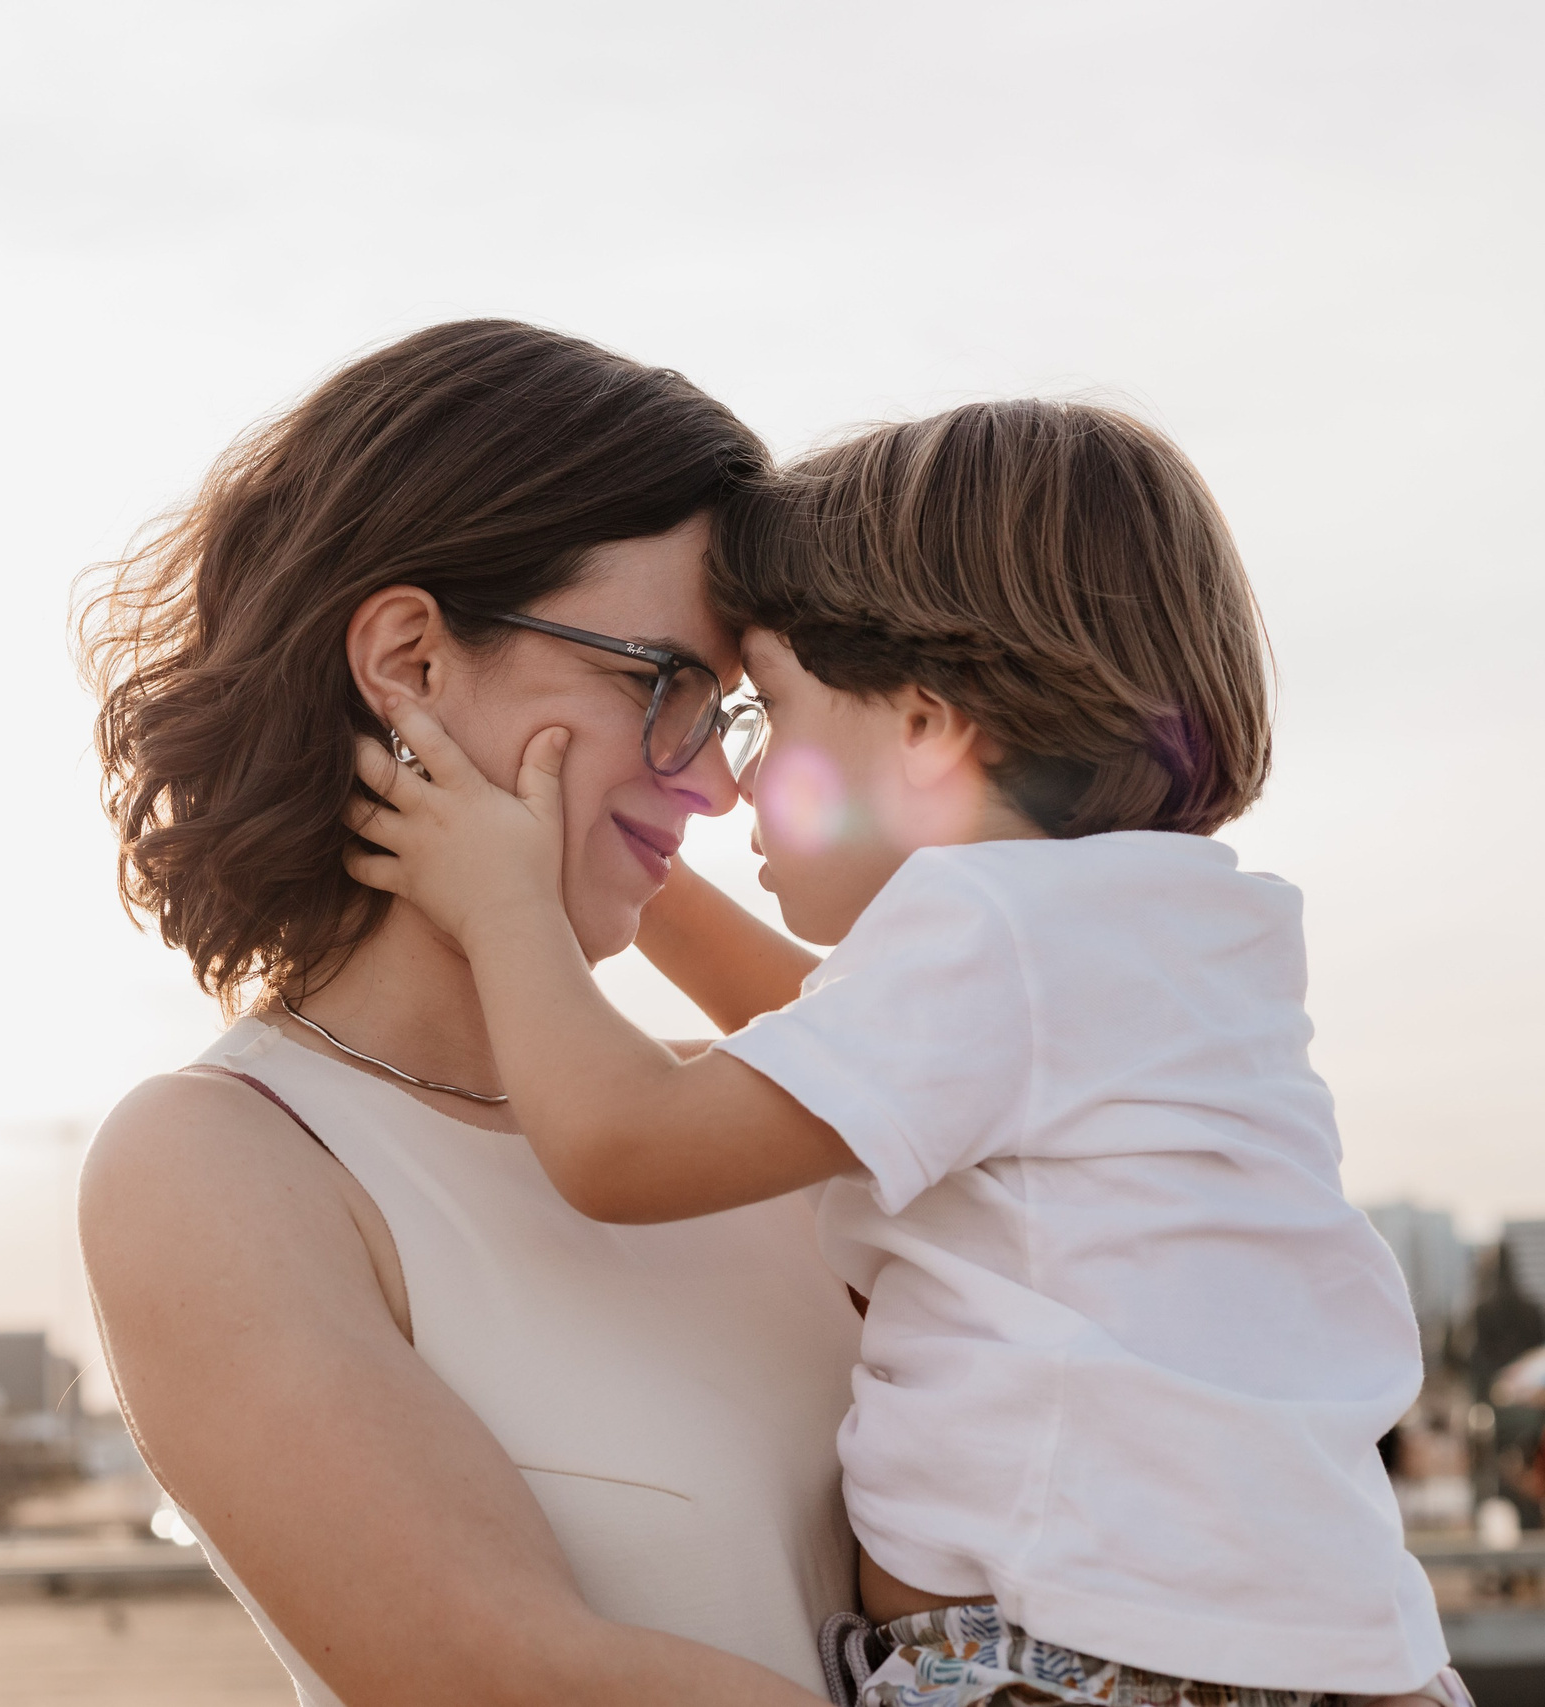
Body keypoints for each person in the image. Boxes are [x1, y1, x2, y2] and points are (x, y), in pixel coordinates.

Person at [344, 400, 1467, 1706]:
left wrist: (508, 909)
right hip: (1307, 1657)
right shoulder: (1146, 929)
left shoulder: (991, 932)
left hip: (1081, 1673)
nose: (733, 782)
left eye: (768, 713)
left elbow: (622, 1142)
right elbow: (826, 1045)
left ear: (928, 726)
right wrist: (633, 880)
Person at [77, 320, 863, 1705]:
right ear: (412, 663)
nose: (725, 788)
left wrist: (608, 827)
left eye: (727, 713)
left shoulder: (750, 1118)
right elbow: (501, 1671)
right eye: (661, 683)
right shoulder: (227, 1163)